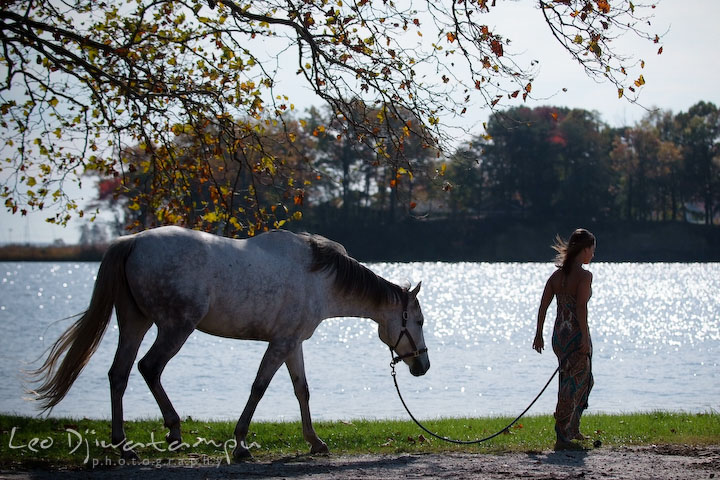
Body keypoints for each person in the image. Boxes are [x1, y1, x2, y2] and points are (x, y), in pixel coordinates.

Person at [533, 228, 596, 451]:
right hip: (576, 335)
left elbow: (543, 305)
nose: (593, 255)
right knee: (574, 382)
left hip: (559, 336)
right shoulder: (585, 276)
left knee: (581, 380)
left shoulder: (556, 276)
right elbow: (580, 307)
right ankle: (562, 435)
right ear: (584, 249)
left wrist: (539, 333)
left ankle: (571, 428)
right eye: (592, 250)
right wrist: (585, 338)